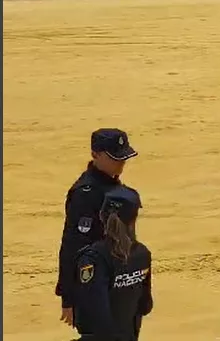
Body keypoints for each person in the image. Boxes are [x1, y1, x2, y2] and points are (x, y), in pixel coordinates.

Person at [57, 129, 137, 329]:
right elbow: (73, 244)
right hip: (93, 284)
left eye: (123, 157)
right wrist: (68, 297)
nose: (121, 163)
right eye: (115, 158)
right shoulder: (85, 194)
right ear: (95, 154)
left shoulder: (117, 188)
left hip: (119, 281)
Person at [74, 186, 153, 341]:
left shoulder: (93, 258)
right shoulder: (142, 254)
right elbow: (145, 306)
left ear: (101, 216)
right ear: (133, 219)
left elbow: (93, 313)